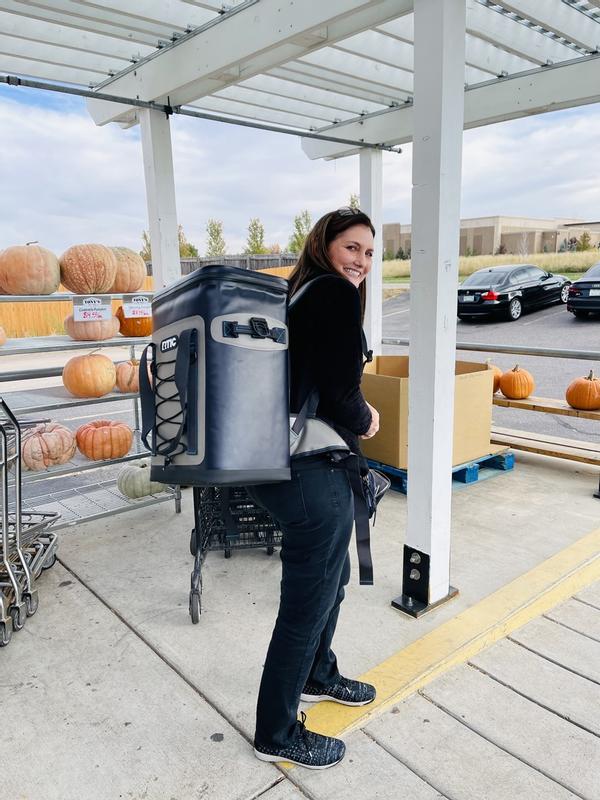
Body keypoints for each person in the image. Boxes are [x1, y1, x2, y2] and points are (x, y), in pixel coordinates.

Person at [247, 207, 380, 770]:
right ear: (325, 244)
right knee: (305, 605)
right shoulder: (331, 295)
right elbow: (338, 389)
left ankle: (318, 674)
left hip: (284, 466)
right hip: (311, 472)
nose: (361, 262)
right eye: (352, 247)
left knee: (333, 582)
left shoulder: (298, 293)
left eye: (370, 253)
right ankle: (275, 732)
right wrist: (367, 417)